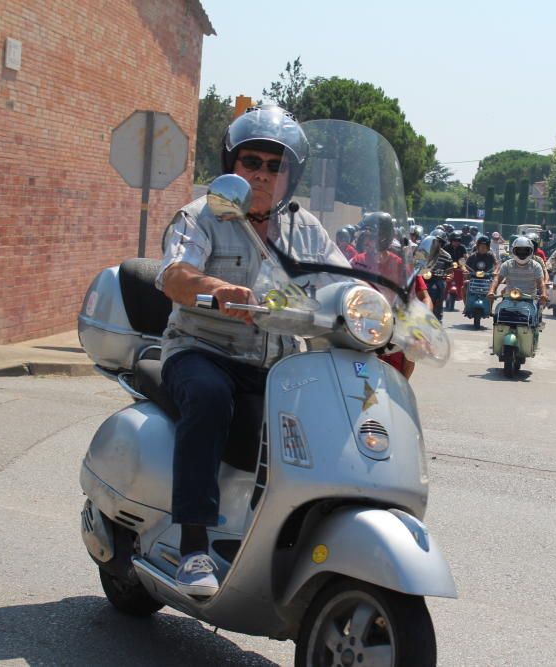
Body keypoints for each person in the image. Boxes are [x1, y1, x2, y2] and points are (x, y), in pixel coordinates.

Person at [155, 105, 348, 596]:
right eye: (251, 162)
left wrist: (383, 306)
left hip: (277, 363)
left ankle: (282, 542)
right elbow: (174, 274)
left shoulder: (306, 230)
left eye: (275, 165)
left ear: (291, 175)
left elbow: (341, 282)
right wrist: (217, 287)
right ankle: (193, 548)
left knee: (318, 422)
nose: (262, 174)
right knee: (209, 398)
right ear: (231, 166)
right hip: (202, 349)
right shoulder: (202, 215)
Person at [488, 236, 547, 325]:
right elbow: (497, 279)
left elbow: (541, 282)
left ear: (530, 251)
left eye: (525, 250)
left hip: (529, 301)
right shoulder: (507, 264)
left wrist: (543, 294)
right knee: (498, 316)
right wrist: (491, 291)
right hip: (508, 299)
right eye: (519, 250)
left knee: (532, 321)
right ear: (513, 250)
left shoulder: (536, 266)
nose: (522, 253)